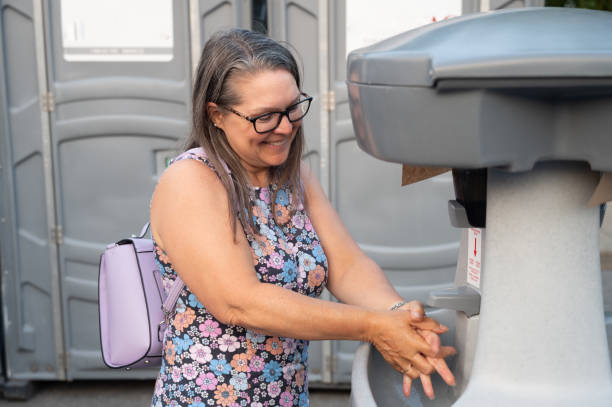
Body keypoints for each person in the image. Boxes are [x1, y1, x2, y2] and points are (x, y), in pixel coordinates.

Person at [149, 28, 455, 407]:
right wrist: (374, 327)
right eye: (265, 117)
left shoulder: (293, 176)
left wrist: (399, 316)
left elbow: (347, 266)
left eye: (293, 108)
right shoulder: (191, 179)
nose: (285, 126)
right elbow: (240, 301)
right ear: (216, 115)